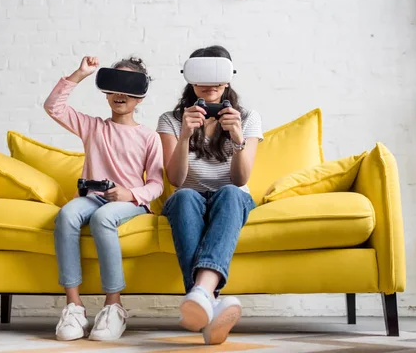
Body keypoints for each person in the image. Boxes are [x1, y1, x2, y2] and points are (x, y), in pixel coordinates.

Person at [44, 56, 164, 342]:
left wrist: (130, 193)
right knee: (67, 214)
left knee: (103, 218)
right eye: (114, 87)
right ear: (106, 92)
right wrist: (80, 74)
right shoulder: (93, 127)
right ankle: (74, 306)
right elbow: (53, 107)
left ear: (141, 96)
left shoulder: (149, 137)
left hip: (128, 203)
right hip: (92, 196)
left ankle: (113, 306)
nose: (120, 94)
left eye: (128, 88)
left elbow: (157, 183)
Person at [157, 45, 263, 345]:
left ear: (229, 78)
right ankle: (211, 305)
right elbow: (175, 180)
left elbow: (240, 179)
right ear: (189, 78)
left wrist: (238, 138)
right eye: (202, 75)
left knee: (230, 192)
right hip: (188, 196)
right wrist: (185, 136)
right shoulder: (171, 119)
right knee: (184, 196)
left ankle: (201, 293)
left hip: (231, 196)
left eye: (219, 75)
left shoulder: (248, 116)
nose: (211, 83)